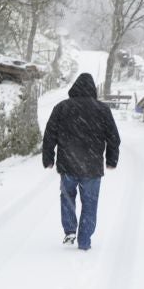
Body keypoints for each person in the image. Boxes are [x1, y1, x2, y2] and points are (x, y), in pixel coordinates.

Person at [42, 73, 121, 251]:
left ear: (74, 88)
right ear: (93, 89)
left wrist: (48, 158)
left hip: (68, 164)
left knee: (67, 197)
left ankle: (70, 230)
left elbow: (49, 135)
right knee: (90, 203)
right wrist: (111, 160)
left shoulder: (62, 107)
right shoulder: (102, 109)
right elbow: (114, 138)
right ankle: (84, 240)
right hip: (92, 166)